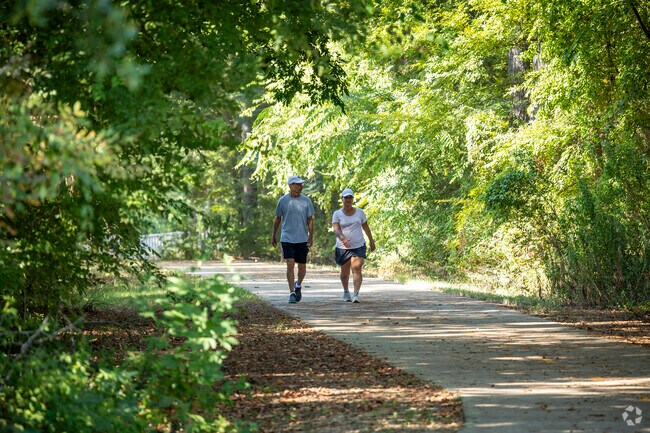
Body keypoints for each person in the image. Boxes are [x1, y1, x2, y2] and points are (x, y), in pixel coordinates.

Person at [272, 175, 315, 304]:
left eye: (301, 185)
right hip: (287, 237)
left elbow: (310, 220)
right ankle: (291, 293)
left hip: (302, 238)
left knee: (302, 268)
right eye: (296, 184)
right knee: (290, 263)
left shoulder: (306, 201)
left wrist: (311, 236)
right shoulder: (283, 200)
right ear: (290, 186)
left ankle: (298, 285)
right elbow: (277, 218)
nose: (299, 187)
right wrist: (273, 235)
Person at [332, 188, 375, 303]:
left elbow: (366, 227)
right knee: (345, 273)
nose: (348, 200)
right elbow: (336, 230)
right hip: (343, 247)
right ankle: (346, 291)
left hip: (358, 245)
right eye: (346, 197)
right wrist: (343, 239)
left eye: (350, 197)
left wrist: (371, 240)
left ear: (352, 199)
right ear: (342, 199)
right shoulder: (337, 214)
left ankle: (356, 294)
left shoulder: (360, 212)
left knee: (357, 268)